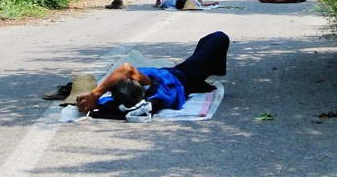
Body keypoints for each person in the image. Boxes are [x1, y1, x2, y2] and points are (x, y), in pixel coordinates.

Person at [75, 31, 230, 116]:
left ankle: (200, 83)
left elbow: (98, 104)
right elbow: (125, 69)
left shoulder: (119, 104)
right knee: (218, 38)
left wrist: (87, 100)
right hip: (183, 75)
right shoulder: (151, 85)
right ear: (140, 85)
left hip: (181, 82)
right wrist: (95, 95)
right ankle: (204, 78)